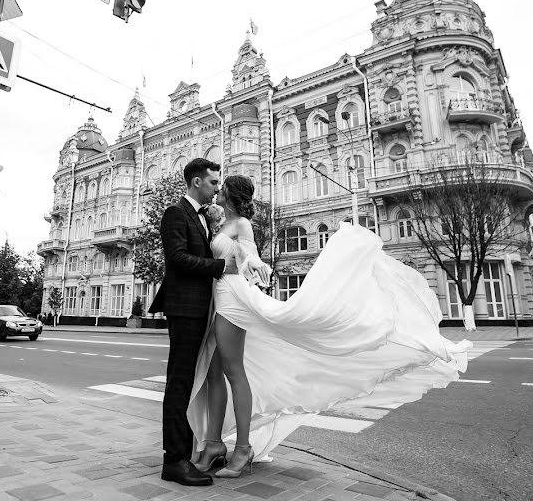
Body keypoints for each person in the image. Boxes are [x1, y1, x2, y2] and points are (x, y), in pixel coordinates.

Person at [187, 174, 471, 479]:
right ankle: (214, 444)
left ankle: (242, 448)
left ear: (230, 194)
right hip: (219, 296)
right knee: (213, 374)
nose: (217, 191)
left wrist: (250, 264)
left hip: (232, 297)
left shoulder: (241, 224)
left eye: (222, 187)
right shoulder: (219, 223)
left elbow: (252, 260)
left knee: (233, 372)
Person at [148, 158, 246, 487]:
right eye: (213, 182)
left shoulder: (202, 217)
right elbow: (177, 259)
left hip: (202, 310)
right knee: (179, 382)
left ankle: (185, 451)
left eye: (219, 183)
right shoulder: (176, 213)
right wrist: (221, 268)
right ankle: (174, 461)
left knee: (190, 382)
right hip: (186, 309)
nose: (218, 187)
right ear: (196, 183)